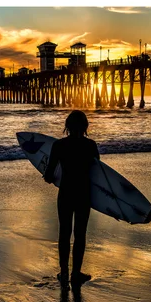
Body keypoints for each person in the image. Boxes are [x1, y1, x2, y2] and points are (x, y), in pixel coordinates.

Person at [44, 110, 99, 288]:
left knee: (64, 233)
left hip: (66, 193)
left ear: (67, 126)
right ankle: (76, 274)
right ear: (85, 126)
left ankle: (64, 272)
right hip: (84, 193)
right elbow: (98, 174)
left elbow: (49, 175)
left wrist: (51, 177)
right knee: (80, 234)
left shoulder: (59, 146)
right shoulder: (91, 145)